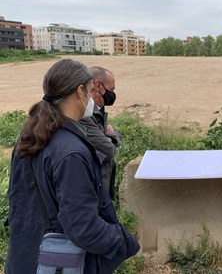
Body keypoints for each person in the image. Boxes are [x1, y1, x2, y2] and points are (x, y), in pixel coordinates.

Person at [5, 59, 140, 273]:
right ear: (80, 91)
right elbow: (84, 228)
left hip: (24, 256)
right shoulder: (72, 152)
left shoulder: (29, 135)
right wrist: (123, 241)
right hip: (57, 264)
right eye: (88, 90)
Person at [79, 66, 121, 199]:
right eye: (112, 89)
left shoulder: (98, 110)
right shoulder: (85, 115)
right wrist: (111, 137)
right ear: (98, 85)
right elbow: (108, 149)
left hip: (103, 182)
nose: (113, 94)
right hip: (95, 185)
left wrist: (109, 137)